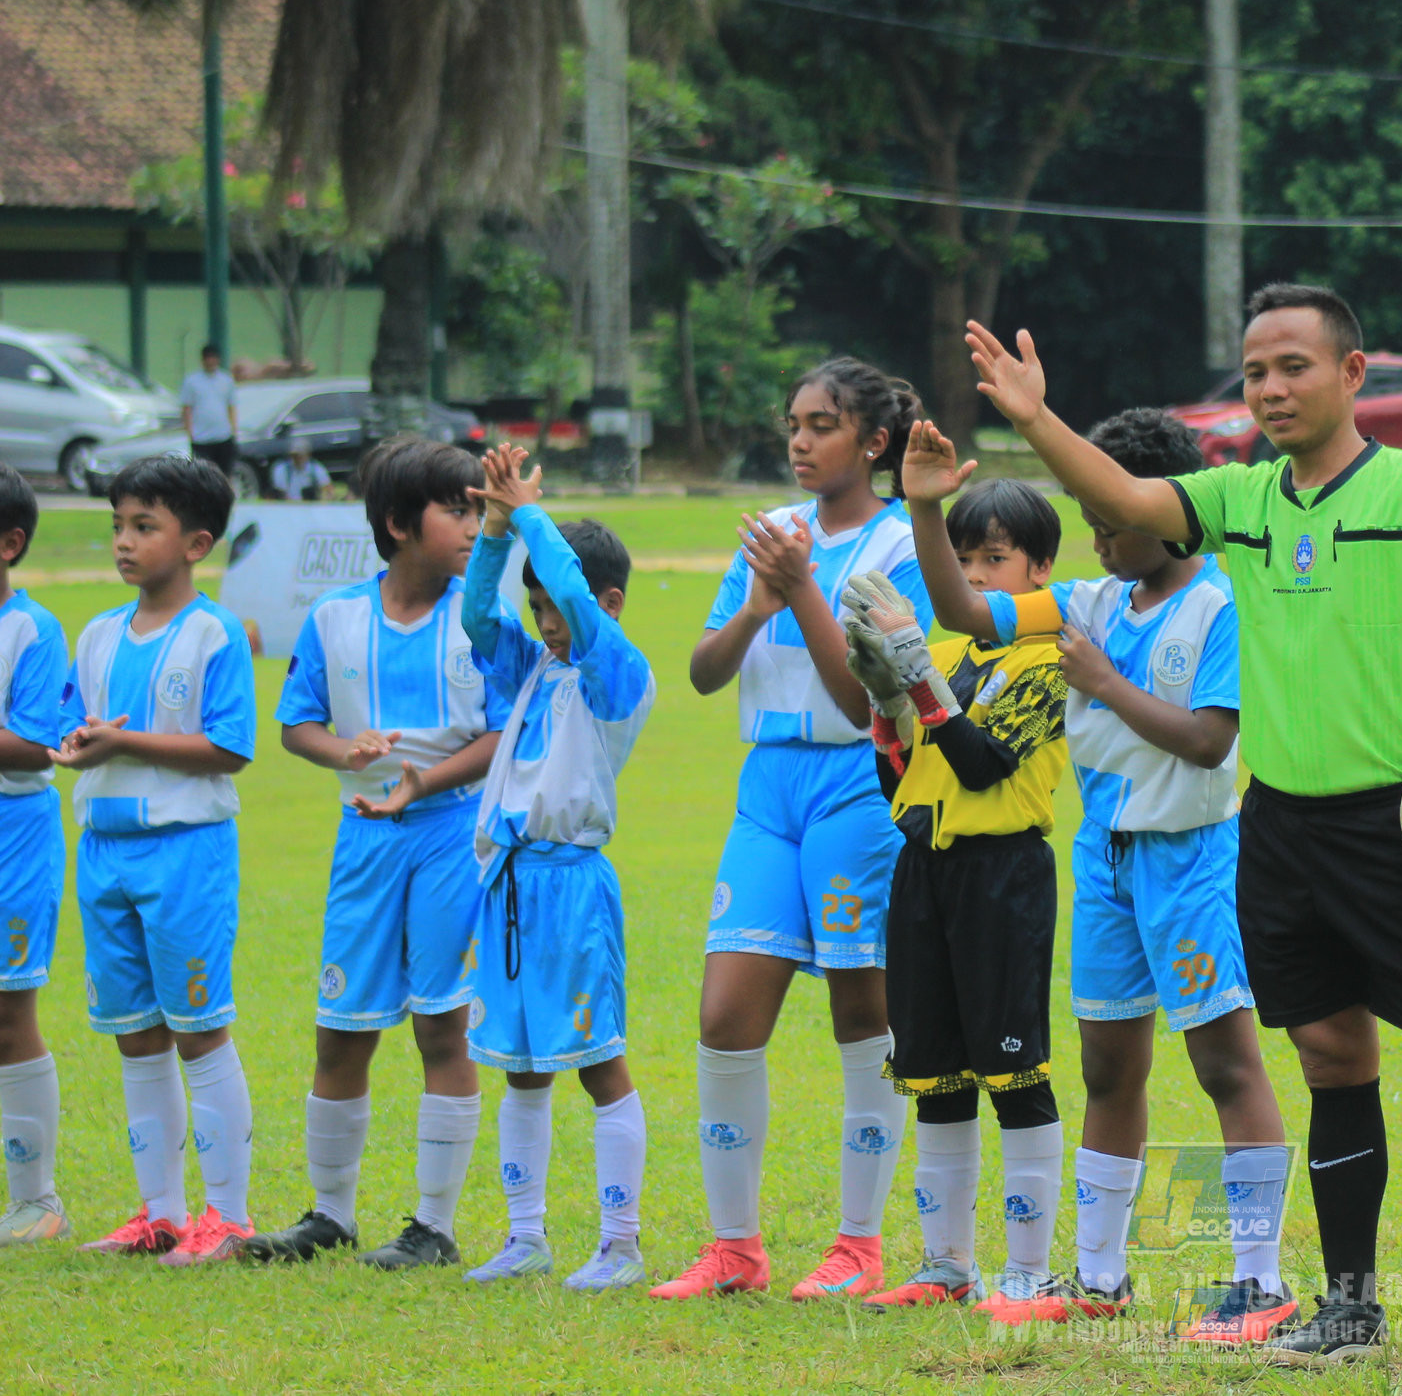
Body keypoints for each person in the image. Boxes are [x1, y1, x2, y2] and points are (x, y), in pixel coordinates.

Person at [965, 283, 1402, 1367]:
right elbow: (1121, 494)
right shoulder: (1241, 497)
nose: (1271, 388)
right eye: (1254, 371)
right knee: (1332, 1060)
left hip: (1398, 829)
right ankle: (1349, 1305)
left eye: (1293, 365)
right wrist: (1033, 419)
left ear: (1353, 374)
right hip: (1280, 831)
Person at [900, 408, 1296, 1341]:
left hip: (1190, 858)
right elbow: (965, 610)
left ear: (1170, 513)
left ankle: (1259, 1281)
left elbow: (1207, 742)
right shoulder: (1089, 599)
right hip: (1103, 859)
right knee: (1109, 1065)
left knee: (1223, 1062)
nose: (1097, 533)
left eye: (1112, 516)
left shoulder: (1216, 608)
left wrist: (1108, 681)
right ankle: (1101, 1277)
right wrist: (923, 512)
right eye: (1088, 513)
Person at [654, 361, 927, 1304]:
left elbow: (864, 702)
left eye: (822, 425)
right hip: (766, 783)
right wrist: (757, 605)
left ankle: (859, 1246)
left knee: (863, 1014)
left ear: (874, 442)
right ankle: (734, 1247)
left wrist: (803, 589)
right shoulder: (771, 538)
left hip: (857, 784)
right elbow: (700, 670)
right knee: (725, 1015)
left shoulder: (900, 546)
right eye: (794, 424)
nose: (800, 441)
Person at [243, 439, 507, 1270]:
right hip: (365, 836)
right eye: (455, 509)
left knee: (442, 1028)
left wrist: (422, 782)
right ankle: (330, 1213)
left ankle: (433, 1225)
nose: (471, 525)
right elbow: (296, 722)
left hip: (451, 833)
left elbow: (503, 733)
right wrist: (343, 754)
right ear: (398, 523)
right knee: (340, 1030)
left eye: (476, 509)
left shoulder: (483, 618)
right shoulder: (334, 616)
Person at [836, 478, 1071, 1321]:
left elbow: (979, 764)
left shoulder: (1047, 660)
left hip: (1002, 874)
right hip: (924, 869)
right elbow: (900, 778)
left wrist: (917, 676)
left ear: (1041, 569)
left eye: (994, 560)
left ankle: (1030, 1271)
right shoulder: (948, 651)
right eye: (962, 560)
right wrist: (884, 703)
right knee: (934, 1070)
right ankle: (946, 1264)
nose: (973, 576)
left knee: (1013, 1067)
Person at [456, 445, 656, 1292]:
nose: (545, 618)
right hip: (508, 884)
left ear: (607, 605)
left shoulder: (615, 674)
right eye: (535, 606)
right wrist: (496, 532)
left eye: (557, 605)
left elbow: (573, 592)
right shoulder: (535, 666)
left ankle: (620, 1241)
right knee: (519, 1063)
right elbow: (473, 615)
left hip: (572, 885)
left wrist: (530, 510)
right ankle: (525, 1234)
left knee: (596, 1060)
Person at [55, 454, 258, 1263]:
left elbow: (229, 747)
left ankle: (230, 1217)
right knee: (135, 1034)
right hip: (103, 852)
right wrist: (70, 744)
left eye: (145, 526)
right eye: (117, 525)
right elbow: (74, 725)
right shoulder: (98, 633)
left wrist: (120, 738)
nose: (124, 542)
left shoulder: (215, 634)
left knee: (199, 1029)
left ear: (197, 541)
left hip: (185, 854)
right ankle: (161, 1212)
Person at [0, 464, 73, 1245]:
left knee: (7, 1010)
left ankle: (37, 1198)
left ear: (9, 542)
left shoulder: (31, 629)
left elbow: (35, 744)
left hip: (14, 832)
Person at [179, 346, 240, 477]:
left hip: (223, 436)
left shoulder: (226, 380)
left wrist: (233, 430)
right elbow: (186, 408)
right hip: (201, 438)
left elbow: (231, 406)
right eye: (208, 358)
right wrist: (190, 432)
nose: (211, 362)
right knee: (203, 475)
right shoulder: (192, 381)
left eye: (214, 358)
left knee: (225, 474)